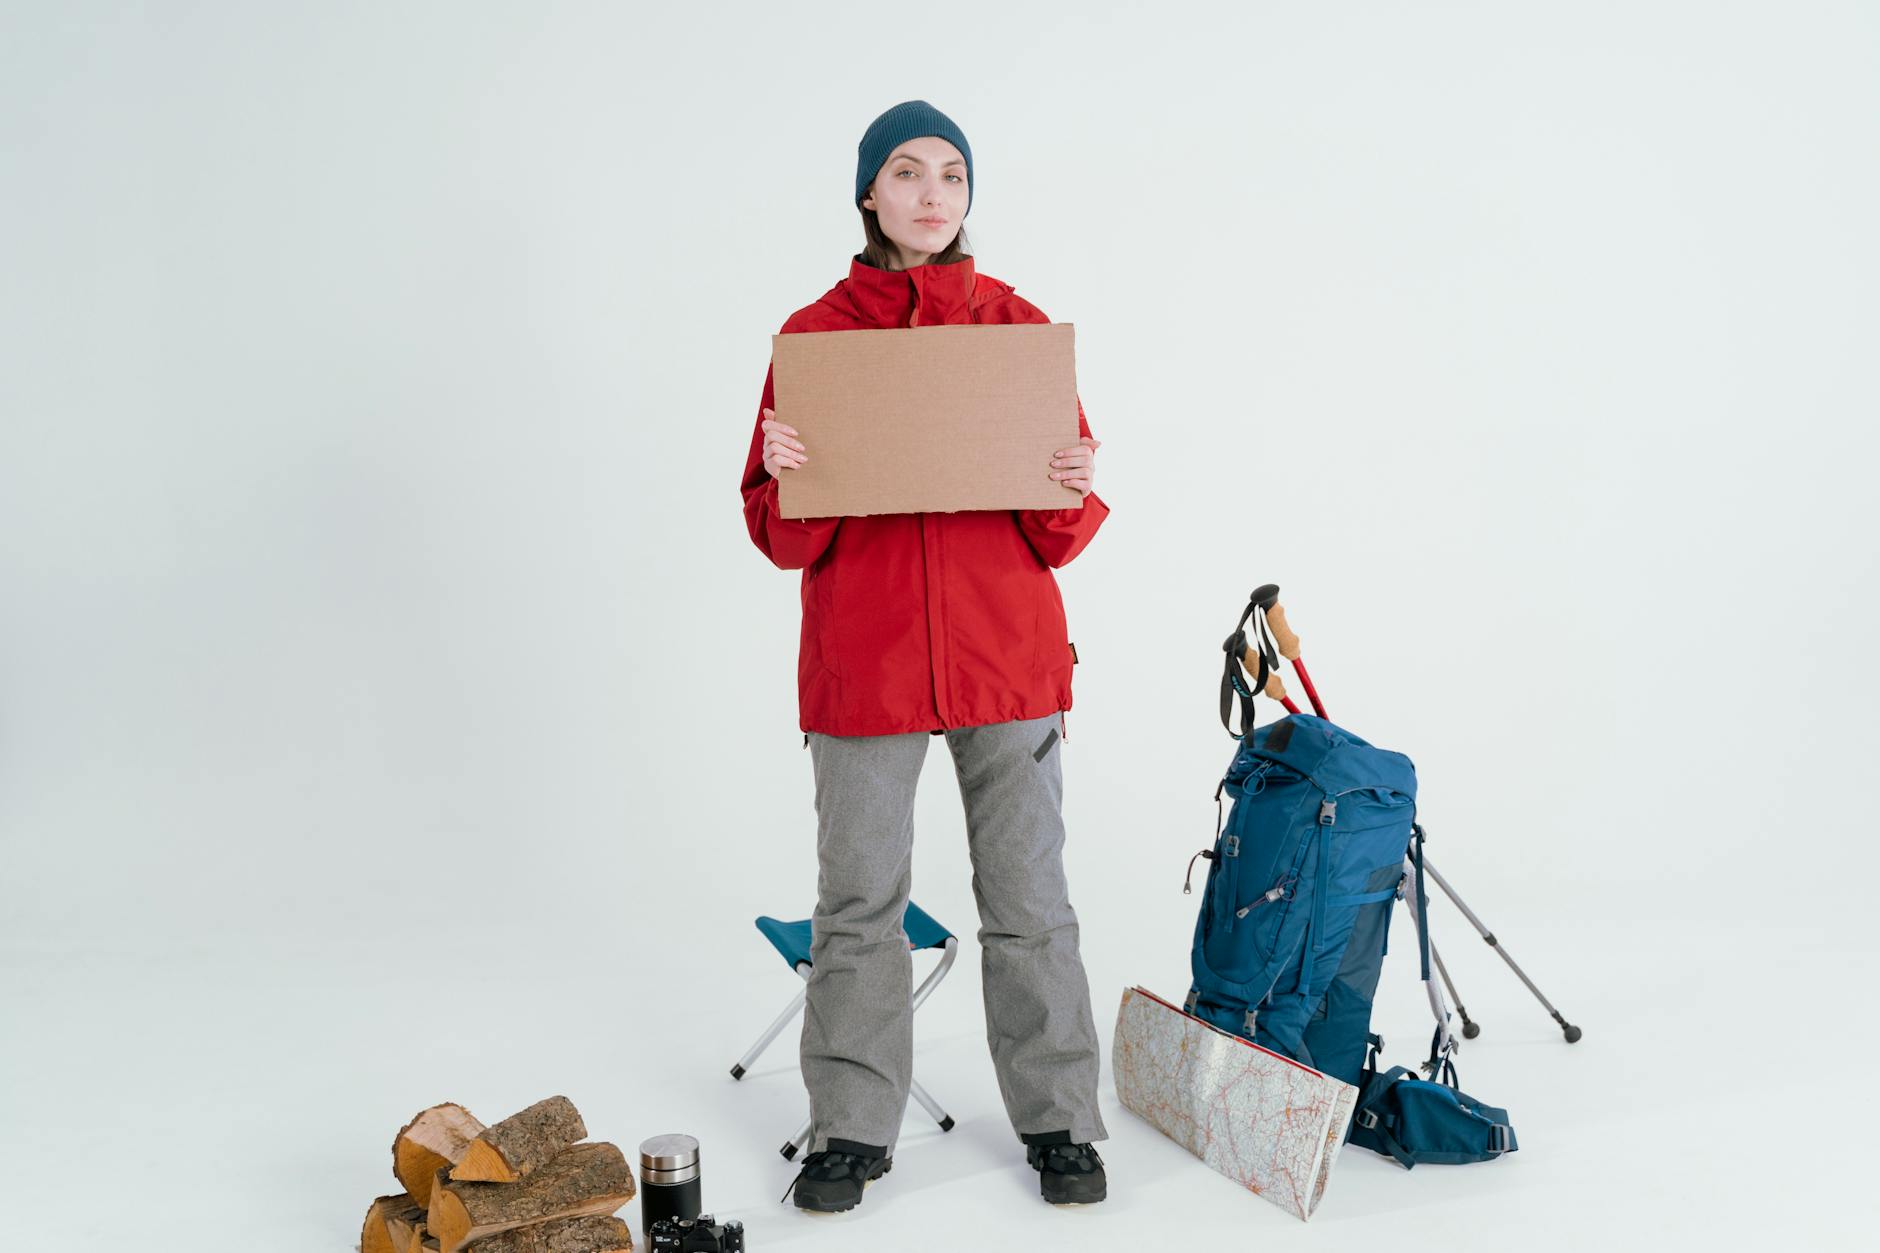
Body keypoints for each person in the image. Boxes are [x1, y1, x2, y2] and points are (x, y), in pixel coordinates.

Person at [739, 100, 1111, 1213]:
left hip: (1008, 661)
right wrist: (786, 475)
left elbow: (1059, 536)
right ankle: (850, 1128)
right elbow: (779, 539)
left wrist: (1072, 481)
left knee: (1030, 899)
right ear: (870, 193)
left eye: (951, 174)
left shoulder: (1014, 329)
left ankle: (1060, 1120)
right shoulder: (813, 340)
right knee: (858, 903)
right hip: (868, 667)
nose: (932, 193)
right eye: (906, 172)